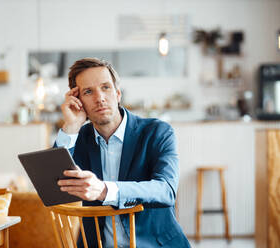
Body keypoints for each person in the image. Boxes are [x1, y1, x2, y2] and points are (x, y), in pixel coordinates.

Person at [55, 58, 190, 248]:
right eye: (88, 91)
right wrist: (70, 126)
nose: (99, 97)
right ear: (79, 102)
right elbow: (54, 189)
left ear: (118, 94)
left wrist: (104, 190)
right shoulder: (79, 137)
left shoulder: (157, 132)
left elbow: (166, 190)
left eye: (106, 87)